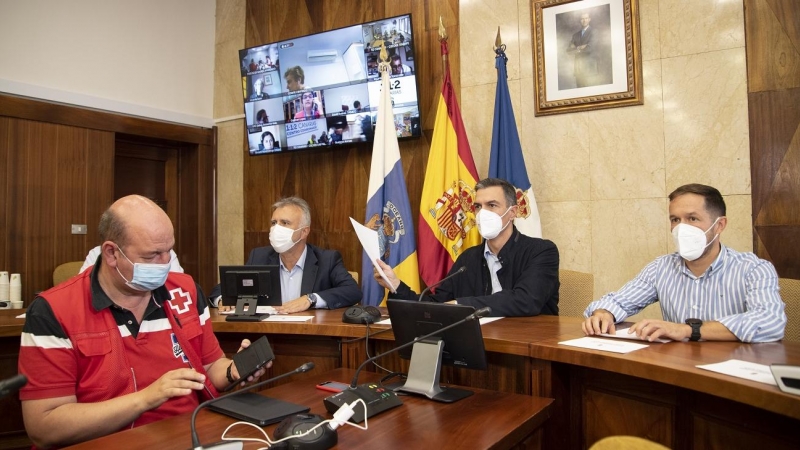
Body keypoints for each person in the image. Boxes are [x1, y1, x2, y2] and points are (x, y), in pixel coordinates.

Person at [18, 195, 268, 448]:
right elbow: (44, 426)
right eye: (152, 256)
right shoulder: (54, 310)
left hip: (188, 436)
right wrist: (147, 398)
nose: (165, 264)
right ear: (112, 253)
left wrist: (233, 371)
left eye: (169, 251)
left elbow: (210, 366)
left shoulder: (185, 291)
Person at [582, 184, 787, 343]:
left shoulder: (754, 269)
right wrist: (603, 314)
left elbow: (770, 322)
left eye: (692, 218)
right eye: (675, 220)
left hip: (735, 373)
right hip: (679, 370)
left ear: (719, 225)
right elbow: (618, 301)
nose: (682, 228)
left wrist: (688, 330)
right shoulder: (661, 267)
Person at [375, 178, 560, 317]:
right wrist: (396, 286)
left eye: (492, 205)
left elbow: (526, 300)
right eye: (478, 206)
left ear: (511, 213)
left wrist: (461, 305)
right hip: (484, 345)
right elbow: (436, 304)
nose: (482, 213)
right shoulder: (468, 258)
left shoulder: (542, 251)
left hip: (530, 348)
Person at [209, 197, 361, 313]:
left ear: (304, 232)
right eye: (274, 222)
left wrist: (311, 299)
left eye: (285, 223)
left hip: (312, 339)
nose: (276, 229)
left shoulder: (327, 259)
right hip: (269, 336)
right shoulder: (260, 256)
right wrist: (223, 299)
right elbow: (223, 288)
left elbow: (352, 291)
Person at [80, 246, 183, 274]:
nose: (164, 262)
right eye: (151, 255)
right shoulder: (97, 254)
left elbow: (178, 286)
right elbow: (83, 292)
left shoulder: (166, 253)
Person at [566, 12, 598, 88]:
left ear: (589, 19)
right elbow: (568, 50)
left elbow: (591, 48)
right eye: (582, 19)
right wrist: (580, 48)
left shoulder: (594, 32)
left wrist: (576, 48)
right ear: (580, 20)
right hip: (578, 69)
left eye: (586, 18)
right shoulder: (575, 35)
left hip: (589, 69)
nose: (584, 20)